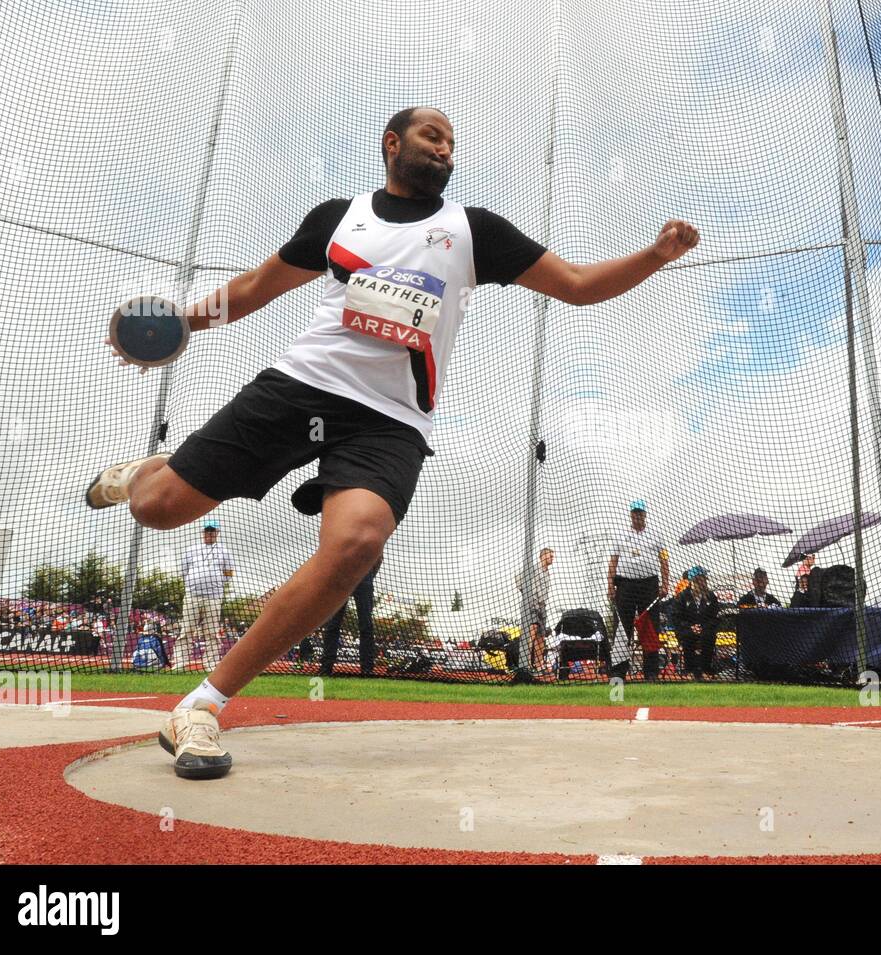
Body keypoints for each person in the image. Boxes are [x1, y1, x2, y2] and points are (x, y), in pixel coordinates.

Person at [82, 107, 700, 779]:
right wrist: (176, 322)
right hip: (301, 387)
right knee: (160, 507)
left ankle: (203, 703)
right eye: (433, 136)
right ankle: (149, 472)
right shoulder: (338, 218)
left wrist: (654, 255)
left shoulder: (472, 231)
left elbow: (578, 286)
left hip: (390, 421)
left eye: (453, 143)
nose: (445, 149)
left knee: (356, 542)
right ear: (392, 143)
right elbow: (256, 288)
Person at [607, 500, 670, 681]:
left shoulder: (657, 535)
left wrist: (665, 584)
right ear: (630, 515)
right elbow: (613, 561)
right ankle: (619, 671)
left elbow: (664, 561)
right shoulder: (620, 534)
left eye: (640, 513)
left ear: (645, 515)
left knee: (649, 627)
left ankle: (651, 672)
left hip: (649, 585)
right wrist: (610, 585)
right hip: (625, 585)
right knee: (622, 627)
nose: (637, 516)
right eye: (634, 513)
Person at [172, 520, 235, 672]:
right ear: (203, 532)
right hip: (192, 595)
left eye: (212, 531)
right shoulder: (192, 549)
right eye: (207, 531)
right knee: (186, 630)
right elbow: (184, 571)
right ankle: (180, 663)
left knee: (212, 632)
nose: (209, 533)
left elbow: (228, 573)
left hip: (214, 597)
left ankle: (210, 664)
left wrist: (216, 582)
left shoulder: (224, 551)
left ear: (217, 533)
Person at [320, 554, 382, 677]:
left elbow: (378, 556)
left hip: (353, 573)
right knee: (338, 624)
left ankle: (327, 667)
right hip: (355, 574)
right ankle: (367, 670)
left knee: (361, 625)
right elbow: (378, 557)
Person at [674, 566, 720, 680]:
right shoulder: (683, 596)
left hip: (705, 629)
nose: (703, 582)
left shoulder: (711, 596)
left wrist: (703, 627)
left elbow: (715, 618)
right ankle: (689, 670)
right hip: (687, 629)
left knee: (709, 636)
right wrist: (690, 627)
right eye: (700, 579)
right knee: (688, 637)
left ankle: (706, 669)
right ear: (692, 581)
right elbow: (676, 617)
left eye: (704, 579)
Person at [515, 546, 554, 676]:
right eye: (550, 555)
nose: (552, 558)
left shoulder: (547, 572)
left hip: (542, 606)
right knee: (530, 634)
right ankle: (525, 664)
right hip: (531, 605)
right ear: (543, 556)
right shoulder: (534, 568)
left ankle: (539, 666)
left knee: (541, 637)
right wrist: (527, 595)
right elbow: (518, 578)